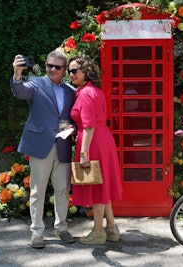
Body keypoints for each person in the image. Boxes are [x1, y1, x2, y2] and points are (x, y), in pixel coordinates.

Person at [11, 50, 77, 248]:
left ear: (64, 70)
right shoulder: (36, 83)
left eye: (57, 67)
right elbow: (20, 91)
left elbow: (74, 117)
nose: (52, 70)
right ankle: (36, 232)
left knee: (63, 190)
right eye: (49, 65)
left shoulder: (71, 91)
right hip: (41, 145)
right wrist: (17, 74)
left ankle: (62, 228)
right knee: (37, 190)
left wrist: (72, 127)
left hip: (63, 145)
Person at [68, 55, 122, 245]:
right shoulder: (95, 90)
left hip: (93, 141)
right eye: (69, 71)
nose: (71, 74)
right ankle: (112, 228)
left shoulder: (84, 93)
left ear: (86, 71)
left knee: (98, 187)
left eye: (74, 70)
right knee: (103, 184)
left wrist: (83, 153)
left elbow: (89, 125)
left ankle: (98, 231)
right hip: (103, 139)